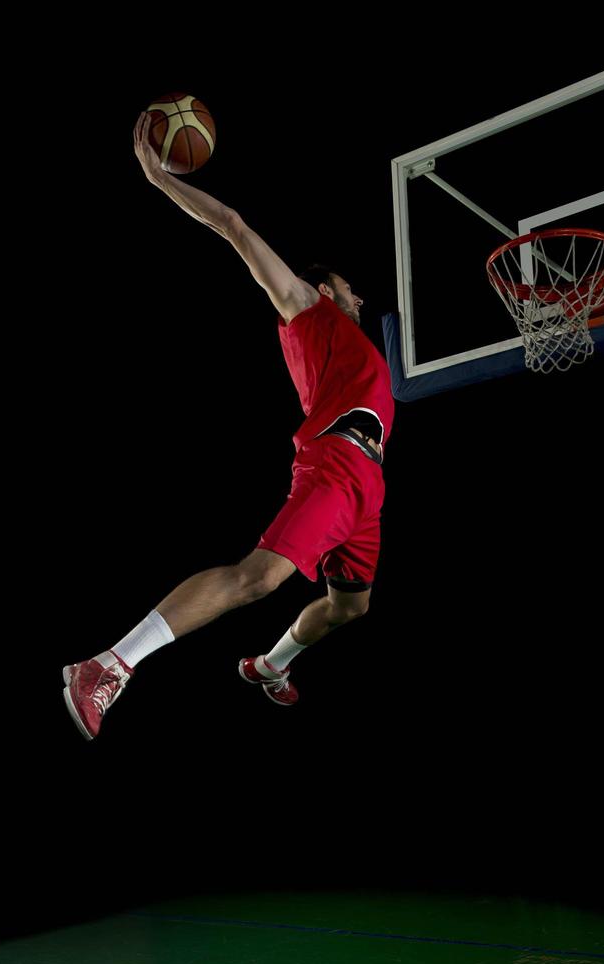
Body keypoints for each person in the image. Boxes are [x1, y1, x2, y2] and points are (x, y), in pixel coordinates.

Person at [62, 112, 395, 740]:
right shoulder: (310, 312)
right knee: (258, 578)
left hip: (366, 487)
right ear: (323, 290)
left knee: (352, 605)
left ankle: (270, 666)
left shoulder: (351, 352)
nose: (359, 300)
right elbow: (234, 228)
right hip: (336, 464)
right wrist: (161, 180)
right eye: (351, 291)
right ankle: (106, 665)